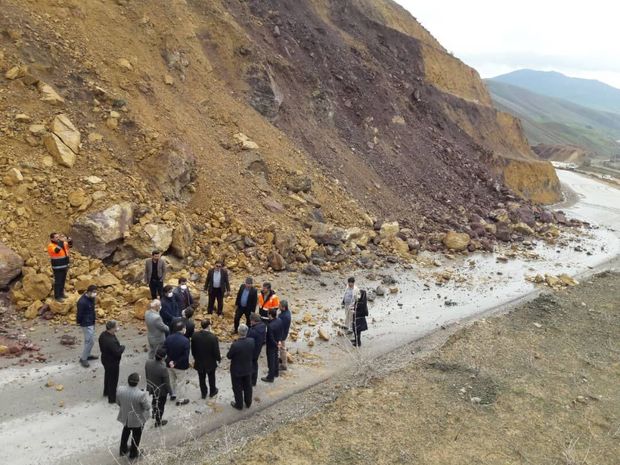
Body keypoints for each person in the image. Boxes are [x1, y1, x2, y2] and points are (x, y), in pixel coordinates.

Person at [116, 373, 150, 460]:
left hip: (125, 416)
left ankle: (123, 449)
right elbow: (147, 407)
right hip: (137, 419)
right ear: (137, 382)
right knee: (136, 436)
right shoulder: (141, 394)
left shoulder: (120, 389)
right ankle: (133, 453)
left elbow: (118, 402)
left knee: (125, 431)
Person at [191, 319, 221, 399]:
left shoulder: (195, 336)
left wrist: (195, 358)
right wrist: (218, 359)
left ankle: (203, 393)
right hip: (210, 362)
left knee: (201, 378)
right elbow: (216, 351)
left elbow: (193, 350)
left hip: (199, 361)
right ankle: (212, 391)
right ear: (209, 326)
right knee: (211, 377)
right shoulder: (213, 337)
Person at [226, 324, 254, 410]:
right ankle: (248, 402)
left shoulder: (235, 345)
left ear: (238, 332)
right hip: (248, 368)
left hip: (237, 370)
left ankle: (239, 404)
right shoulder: (252, 341)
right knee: (248, 386)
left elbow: (229, 356)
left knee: (237, 388)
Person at [163, 320, 190, 406]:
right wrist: (175, 362)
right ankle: (181, 399)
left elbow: (164, 351)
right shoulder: (185, 341)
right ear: (182, 329)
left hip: (169, 364)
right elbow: (185, 356)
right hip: (180, 366)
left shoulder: (168, 338)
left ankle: (173, 394)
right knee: (181, 382)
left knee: (172, 380)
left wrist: (169, 361)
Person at [99, 320, 125, 403]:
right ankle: (112, 398)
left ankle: (106, 392)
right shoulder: (111, 341)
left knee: (108, 376)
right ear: (112, 328)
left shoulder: (103, 335)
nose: (117, 327)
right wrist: (122, 347)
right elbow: (117, 352)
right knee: (113, 380)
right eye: (116, 326)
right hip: (112, 362)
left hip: (105, 359)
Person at [145, 347, 172, 427]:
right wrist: (170, 392)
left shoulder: (148, 362)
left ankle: (154, 412)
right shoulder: (163, 369)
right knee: (161, 405)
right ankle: (158, 421)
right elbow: (167, 383)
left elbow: (147, 374)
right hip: (161, 391)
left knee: (154, 399)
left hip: (152, 387)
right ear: (163, 358)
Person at [76, 284, 98, 367]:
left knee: (87, 340)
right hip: (86, 324)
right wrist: (79, 322)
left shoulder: (91, 298)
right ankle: (83, 359)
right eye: (94, 292)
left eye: (96, 292)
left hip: (91, 322)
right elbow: (79, 314)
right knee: (90, 341)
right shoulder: (82, 302)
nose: (95, 294)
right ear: (89, 292)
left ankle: (88, 355)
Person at [47, 232, 72, 301]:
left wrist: (70, 241)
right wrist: (61, 241)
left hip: (64, 265)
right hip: (57, 267)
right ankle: (57, 296)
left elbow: (70, 246)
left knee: (63, 281)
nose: (58, 238)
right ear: (52, 238)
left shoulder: (62, 243)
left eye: (58, 237)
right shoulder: (51, 246)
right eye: (56, 237)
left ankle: (61, 294)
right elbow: (56, 251)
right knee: (58, 281)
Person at [262, 308, 283, 383]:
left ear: (270, 315)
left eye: (268, 314)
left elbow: (270, 338)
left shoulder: (270, 326)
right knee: (276, 358)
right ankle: (276, 373)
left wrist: (276, 344)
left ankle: (270, 377)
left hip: (271, 345)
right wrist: (279, 342)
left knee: (271, 361)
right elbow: (281, 331)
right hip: (278, 342)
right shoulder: (279, 321)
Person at [247, 313, 266, 386]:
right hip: (258, 348)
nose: (250, 322)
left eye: (251, 320)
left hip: (252, 350)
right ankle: (254, 380)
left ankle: (251, 381)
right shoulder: (263, 326)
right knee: (255, 363)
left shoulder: (253, 331)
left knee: (251, 364)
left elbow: (248, 339)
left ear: (254, 321)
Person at [278, 300, 292, 371]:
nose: (278, 307)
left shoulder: (285, 317)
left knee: (282, 349)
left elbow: (281, 327)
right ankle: (281, 359)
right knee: (282, 348)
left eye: (279, 306)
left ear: (283, 307)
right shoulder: (286, 313)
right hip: (283, 334)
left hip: (282, 335)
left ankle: (284, 365)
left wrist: (279, 337)